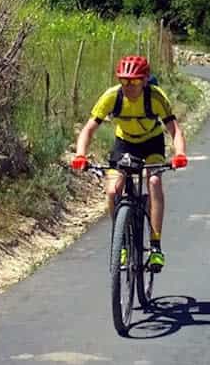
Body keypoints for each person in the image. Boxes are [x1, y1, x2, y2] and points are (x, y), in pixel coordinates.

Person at [71, 56, 187, 271]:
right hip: (124, 143)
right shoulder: (112, 96)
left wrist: (179, 153)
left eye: (133, 82)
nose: (128, 86)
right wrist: (80, 155)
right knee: (113, 191)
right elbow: (88, 129)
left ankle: (155, 246)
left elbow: (174, 129)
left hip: (151, 143)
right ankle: (121, 243)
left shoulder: (155, 97)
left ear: (144, 80)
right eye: (124, 81)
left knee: (153, 182)